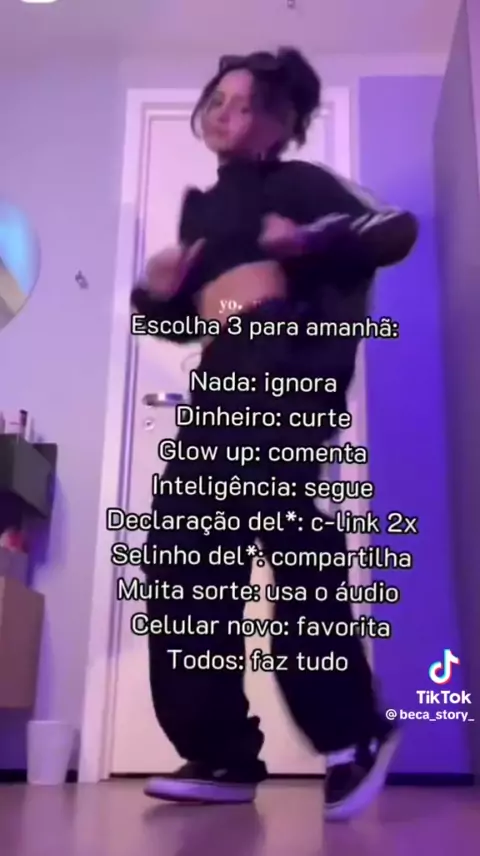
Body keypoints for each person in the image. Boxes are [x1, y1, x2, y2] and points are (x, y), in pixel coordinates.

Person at [130, 48, 418, 822]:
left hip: (288, 376)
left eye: (247, 103)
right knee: (183, 552)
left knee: (288, 537)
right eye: (218, 101)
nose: (227, 114)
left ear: (283, 121)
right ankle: (223, 751)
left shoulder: (301, 183)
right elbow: (196, 318)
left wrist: (307, 243)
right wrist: (157, 294)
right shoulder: (203, 209)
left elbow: (393, 229)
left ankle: (352, 733)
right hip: (221, 389)